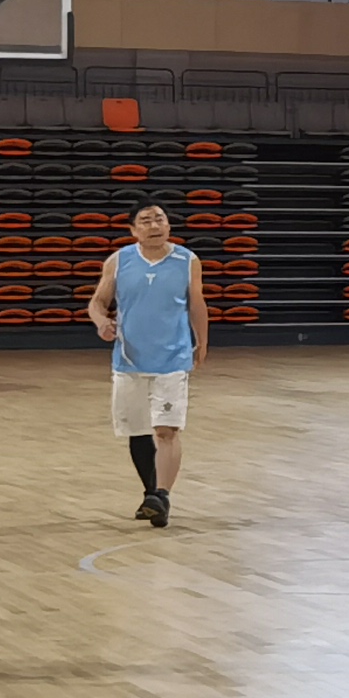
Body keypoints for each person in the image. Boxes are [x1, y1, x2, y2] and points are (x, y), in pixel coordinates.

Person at [87, 203, 211, 525]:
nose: (154, 226)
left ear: (168, 225)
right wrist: (101, 321)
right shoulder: (118, 261)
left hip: (172, 358)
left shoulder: (187, 260)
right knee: (138, 431)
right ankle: (151, 494)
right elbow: (98, 302)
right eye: (146, 221)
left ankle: (163, 495)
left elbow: (197, 304)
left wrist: (202, 341)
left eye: (160, 219)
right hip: (129, 359)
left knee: (166, 429)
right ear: (133, 230)